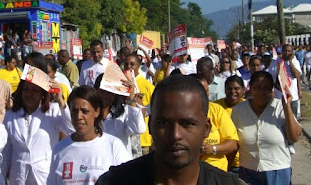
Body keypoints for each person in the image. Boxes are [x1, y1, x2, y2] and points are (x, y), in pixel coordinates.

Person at [96, 74, 242, 184]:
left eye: (187, 124)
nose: (175, 135)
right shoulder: (114, 181)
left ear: (206, 128)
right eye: (163, 123)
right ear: (150, 126)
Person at [2, 68, 74, 185]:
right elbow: (6, 151)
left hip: (44, 175)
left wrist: (61, 101)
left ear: (42, 93)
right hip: (18, 176)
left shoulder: (53, 111)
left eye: (34, 90)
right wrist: (1, 177)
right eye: (26, 90)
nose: (29, 94)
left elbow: (71, 130)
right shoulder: (11, 115)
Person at [47, 85, 131, 184]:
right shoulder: (59, 149)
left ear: (96, 112)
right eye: (74, 111)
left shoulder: (114, 146)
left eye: (85, 111)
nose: (79, 116)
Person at [232, 71, 302, 184]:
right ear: (250, 87)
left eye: (266, 88)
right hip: (248, 173)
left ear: (272, 90)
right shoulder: (238, 110)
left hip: (278, 174)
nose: (261, 92)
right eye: (257, 87)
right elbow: (232, 141)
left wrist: (287, 106)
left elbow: (294, 137)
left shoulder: (280, 107)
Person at [191, 74, 239, 172]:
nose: (205, 94)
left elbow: (233, 143)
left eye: (207, 91)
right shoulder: (179, 111)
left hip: (216, 171)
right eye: (201, 91)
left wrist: (212, 149)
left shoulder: (217, 110)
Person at [94, 74, 146, 158]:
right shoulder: (89, 115)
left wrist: (131, 99)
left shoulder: (123, 113)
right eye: (102, 90)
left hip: (121, 166)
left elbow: (138, 129)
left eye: (109, 91)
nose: (105, 95)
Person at [125, 54, 155, 155]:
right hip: (125, 137)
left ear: (139, 66)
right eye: (126, 64)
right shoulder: (119, 84)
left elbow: (153, 111)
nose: (129, 66)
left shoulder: (147, 85)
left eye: (132, 64)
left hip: (143, 139)